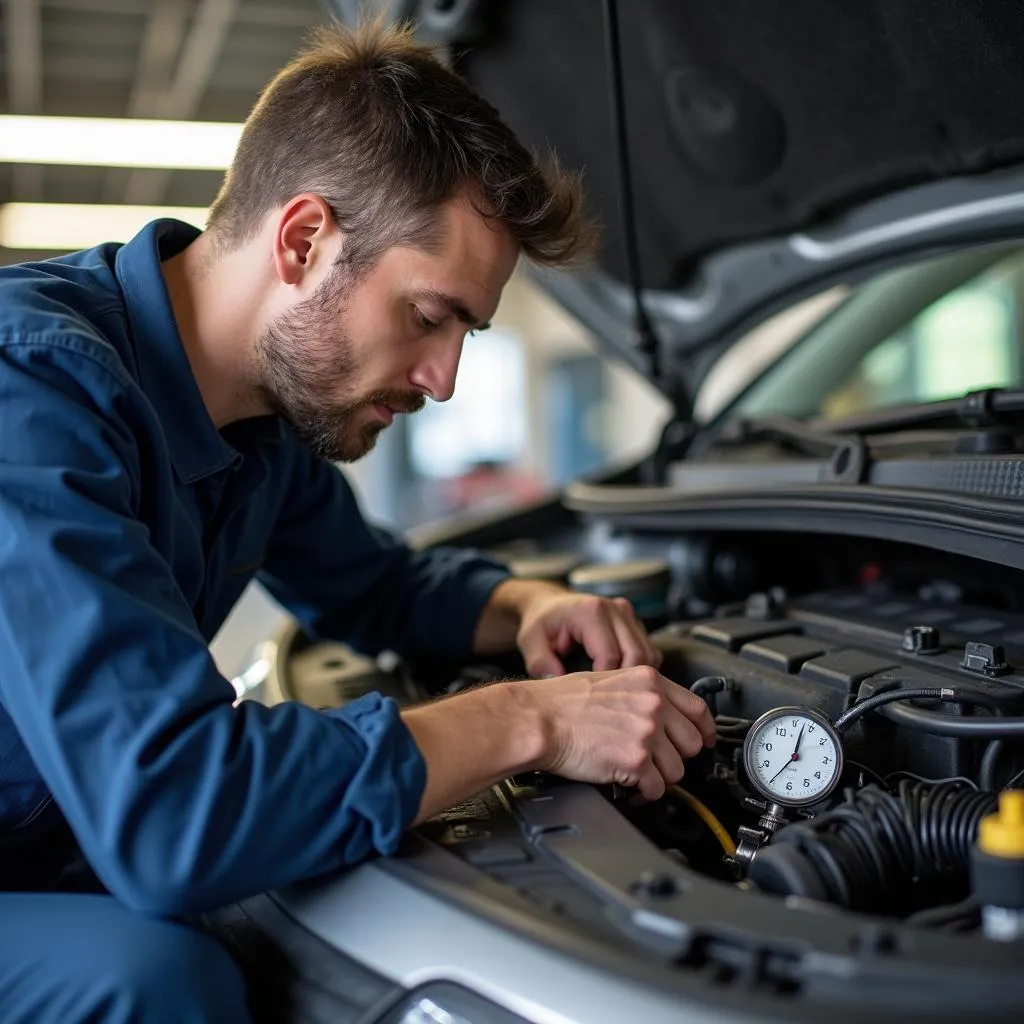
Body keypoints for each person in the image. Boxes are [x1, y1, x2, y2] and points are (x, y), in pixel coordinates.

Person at [0, 19, 716, 1024]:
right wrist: (529, 718)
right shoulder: (29, 395)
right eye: (430, 317)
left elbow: (374, 586)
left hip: (51, 833)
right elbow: (176, 816)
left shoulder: (264, 418)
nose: (443, 378)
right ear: (303, 241)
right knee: (157, 980)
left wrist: (524, 608)